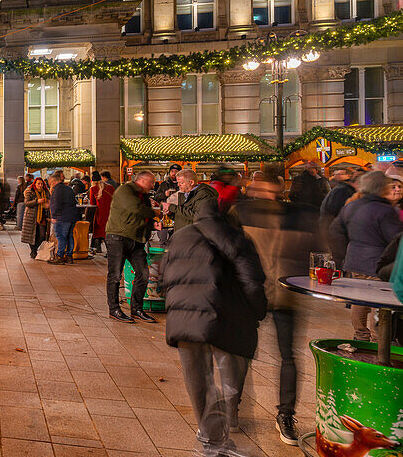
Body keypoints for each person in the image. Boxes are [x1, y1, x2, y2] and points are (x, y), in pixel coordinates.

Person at [162, 198, 267, 457]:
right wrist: (258, 313)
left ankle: (211, 437)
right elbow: (253, 281)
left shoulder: (181, 235)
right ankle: (217, 436)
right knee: (232, 376)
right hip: (224, 317)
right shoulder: (236, 237)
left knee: (197, 379)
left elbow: (163, 273)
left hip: (183, 318)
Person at [238, 173, 317, 446]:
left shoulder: (298, 216)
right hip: (251, 293)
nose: (265, 194)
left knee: (288, 356)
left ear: (280, 190)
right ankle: (233, 406)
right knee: (240, 352)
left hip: (285, 295)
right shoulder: (241, 212)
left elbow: (318, 251)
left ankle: (286, 413)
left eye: (271, 189)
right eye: (261, 189)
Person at [329, 170, 403, 341]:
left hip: (354, 260)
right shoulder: (385, 210)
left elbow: (335, 230)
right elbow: (395, 240)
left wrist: (343, 254)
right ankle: (380, 339)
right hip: (377, 263)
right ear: (381, 188)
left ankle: (360, 335)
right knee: (379, 303)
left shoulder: (351, 206)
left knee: (359, 300)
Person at [104, 171, 158, 323]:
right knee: (115, 275)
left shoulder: (144, 195)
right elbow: (136, 209)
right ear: (142, 180)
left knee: (143, 273)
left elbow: (143, 217)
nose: (153, 185)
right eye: (151, 182)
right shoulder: (125, 190)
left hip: (136, 240)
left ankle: (137, 309)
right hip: (118, 237)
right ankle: (114, 309)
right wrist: (156, 213)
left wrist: (153, 224)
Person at [320, 164, 359, 264]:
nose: (337, 176)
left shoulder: (341, 189)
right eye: (336, 173)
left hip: (332, 231)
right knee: (338, 261)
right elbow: (337, 212)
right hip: (336, 234)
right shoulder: (344, 191)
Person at [48, 171, 79, 264]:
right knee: (70, 236)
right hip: (72, 216)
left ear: (53, 181)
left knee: (61, 236)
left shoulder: (57, 190)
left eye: (50, 182)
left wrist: (53, 216)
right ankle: (69, 256)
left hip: (62, 217)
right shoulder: (69, 188)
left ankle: (60, 256)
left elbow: (56, 204)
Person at [21, 177, 50, 259]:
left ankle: (35, 249)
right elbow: (26, 203)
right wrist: (37, 201)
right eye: (38, 184)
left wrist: (48, 203)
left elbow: (49, 200)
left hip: (42, 217)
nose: (40, 185)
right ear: (35, 184)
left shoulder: (46, 192)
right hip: (31, 216)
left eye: (41, 184)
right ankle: (33, 251)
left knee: (42, 235)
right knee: (32, 235)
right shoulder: (30, 191)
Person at [88, 174, 114, 255]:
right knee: (109, 231)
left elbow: (92, 203)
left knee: (99, 230)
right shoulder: (110, 187)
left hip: (100, 213)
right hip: (111, 213)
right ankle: (110, 251)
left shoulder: (93, 189)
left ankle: (97, 248)